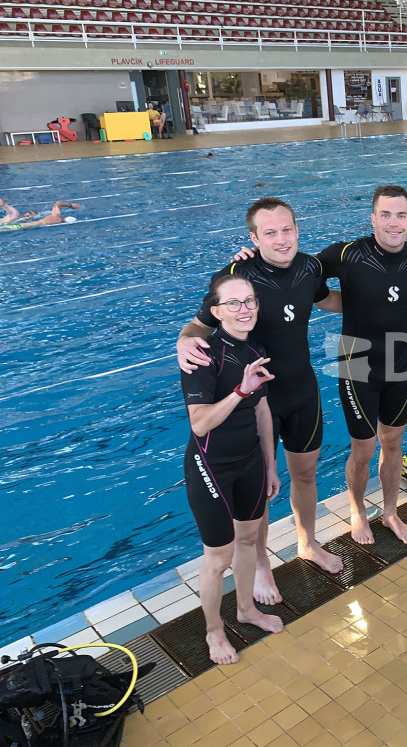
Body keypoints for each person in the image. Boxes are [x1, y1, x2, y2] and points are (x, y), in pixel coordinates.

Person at [177, 197, 343, 605]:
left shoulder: (310, 267)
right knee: (260, 490)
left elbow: (325, 299)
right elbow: (199, 326)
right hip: (257, 402)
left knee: (306, 474)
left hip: (302, 392)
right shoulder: (236, 276)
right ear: (253, 237)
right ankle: (262, 565)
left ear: (297, 229)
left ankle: (307, 543)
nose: (281, 239)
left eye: (287, 229)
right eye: (270, 233)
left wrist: (388, 300)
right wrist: (183, 342)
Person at [180, 274, 284, 664]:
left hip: (250, 461)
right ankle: (214, 631)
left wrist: (271, 465)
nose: (244, 309)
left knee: (248, 540)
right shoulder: (202, 354)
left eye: (250, 301)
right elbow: (200, 424)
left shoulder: (255, 347)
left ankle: (246, 610)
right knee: (218, 558)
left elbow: (262, 410)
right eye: (234, 303)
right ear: (216, 311)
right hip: (212, 467)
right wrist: (240, 390)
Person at [317, 185, 407, 544]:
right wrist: (254, 257)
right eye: (386, 214)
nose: (394, 223)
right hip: (357, 362)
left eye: (401, 215)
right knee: (363, 449)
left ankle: (390, 512)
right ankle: (358, 511)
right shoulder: (347, 254)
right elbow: (301, 274)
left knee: (393, 443)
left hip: (398, 362)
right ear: (373, 218)